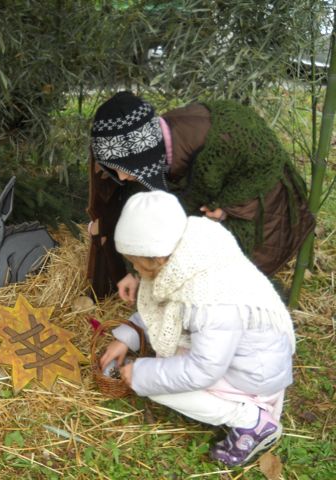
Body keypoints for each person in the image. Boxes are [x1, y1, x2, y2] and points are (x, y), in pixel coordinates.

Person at [99, 191, 295, 467]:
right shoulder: (192, 247)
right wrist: (129, 335)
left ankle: (253, 420)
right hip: (243, 351)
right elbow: (167, 304)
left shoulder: (210, 299)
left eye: (136, 262)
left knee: (157, 386)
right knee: (163, 367)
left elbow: (204, 369)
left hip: (255, 373)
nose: (134, 269)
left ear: (158, 259)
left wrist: (141, 373)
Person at [87, 91, 315, 300]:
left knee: (222, 270)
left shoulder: (223, 137)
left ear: (142, 156)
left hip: (258, 191)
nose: (121, 177)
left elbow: (269, 160)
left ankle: (259, 301)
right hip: (218, 191)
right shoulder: (156, 155)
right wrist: (130, 272)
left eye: (123, 167)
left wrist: (226, 204)